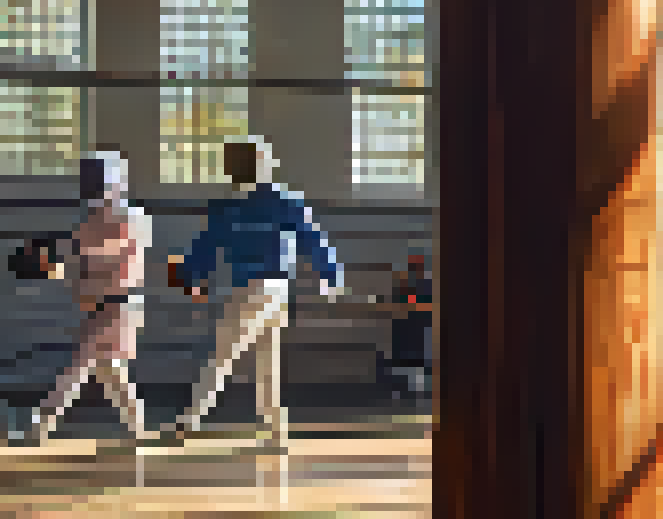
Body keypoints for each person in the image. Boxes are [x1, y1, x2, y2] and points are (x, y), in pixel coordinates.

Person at [167, 138, 343, 449]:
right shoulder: (285, 200)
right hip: (277, 292)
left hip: (249, 290)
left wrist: (188, 275)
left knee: (223, 356)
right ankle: (276, 432)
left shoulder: (226, 208)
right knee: (267, 360)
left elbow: (206, 248)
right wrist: (329, 274)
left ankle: (187, 422)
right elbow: (311, 239)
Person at [20, 151, 152, 445]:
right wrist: (62, 268)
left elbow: (95, 259)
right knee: (111, 374)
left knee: (76, 370)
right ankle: (140, 432)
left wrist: (62, 264)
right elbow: (85, 265)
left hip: (117, 306)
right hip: (113, 305)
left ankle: (37, 430)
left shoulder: (123, 218)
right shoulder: (102, 218)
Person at [382, 253, 433, 400]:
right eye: (413, 265)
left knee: (418, 358)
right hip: (405, 326)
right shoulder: (403, 283)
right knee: (404, 358)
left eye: (417, 265)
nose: (416, 268)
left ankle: (416, 391)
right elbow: (396, 303)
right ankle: (401, 390)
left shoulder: (426, 284)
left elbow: (428, 305)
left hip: (418, 327)